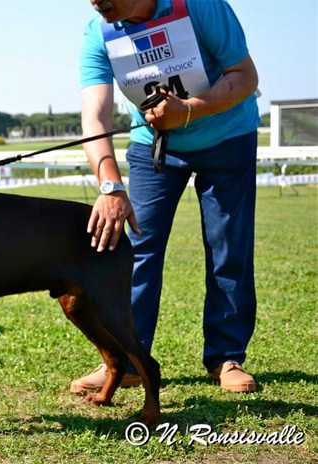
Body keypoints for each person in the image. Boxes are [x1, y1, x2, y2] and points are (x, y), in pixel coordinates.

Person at [71, 0, 260, 393]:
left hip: (228, 136)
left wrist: (187, 111)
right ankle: (127, 360)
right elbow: (95, 117)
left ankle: (226, 357)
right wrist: (110, 186)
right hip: (154, 145)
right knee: (135, 248)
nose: (94, 1)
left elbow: (244, 76)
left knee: (228, 248)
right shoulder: (97, 32)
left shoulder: (201, 6)